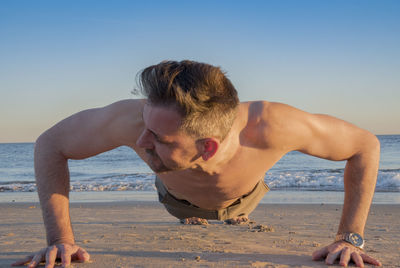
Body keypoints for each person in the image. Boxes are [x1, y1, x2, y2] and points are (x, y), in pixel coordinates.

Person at [13, 60, 381, 268]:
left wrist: (351, 239)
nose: (140, 142)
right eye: (146, 124)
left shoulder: (273, 126)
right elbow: (50, 144)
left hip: (244, 194)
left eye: (157, 138)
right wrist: (60, 240)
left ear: (208, 148)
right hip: (173, 195)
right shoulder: (134, 120)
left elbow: (365, 145)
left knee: (235, 199)